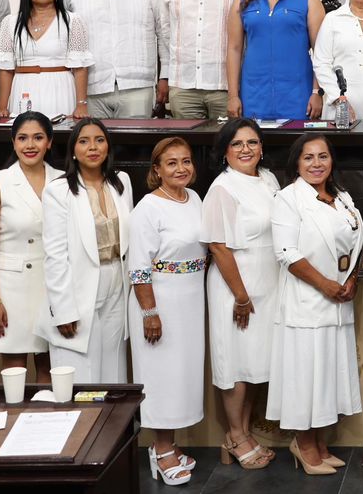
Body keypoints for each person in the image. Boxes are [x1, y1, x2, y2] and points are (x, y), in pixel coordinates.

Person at [269, 134, 363, 475]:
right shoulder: (288, 198)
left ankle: (321, 444)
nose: (316, 163)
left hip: (338, 301)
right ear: (297, 162)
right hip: (306, 301)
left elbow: (354, 244)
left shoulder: (342, 197)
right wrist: (325, 284)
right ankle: (303, 444)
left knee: (327, 376)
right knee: (305, 376)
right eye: (308, 157)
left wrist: (352, 279)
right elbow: (285, 252)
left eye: (323, 156)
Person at [203, 119, 283, 470]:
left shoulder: (268, 179)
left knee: (256, 363)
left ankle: (246, 430)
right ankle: (235, 436)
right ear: (224, 152)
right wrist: (240, 295)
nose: (246, 149)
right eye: (237, 144)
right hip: (237, 286)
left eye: (252, 142)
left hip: (268, 282)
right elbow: (218, 247)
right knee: (235, 363)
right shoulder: (223, 188)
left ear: (262, 147)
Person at [128, 137, 207, 484]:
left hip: (190, 298)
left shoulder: (195, 199)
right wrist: (150, 313)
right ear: (156, 170)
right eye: (171, 163)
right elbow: (138, 267)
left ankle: (170, 445)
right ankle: (160, 452)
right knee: (161, 376)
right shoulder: (147, 208)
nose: (181, 168)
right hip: (159, 300)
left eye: (186, 161)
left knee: (182, 375)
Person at [39, 118, 133, 383]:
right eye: (84, 141)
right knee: (80, 377)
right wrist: (63, 309)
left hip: (117, 282)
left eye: (99, 140)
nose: (93, 147)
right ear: (73, 150)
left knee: (113, 373)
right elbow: (55, 255)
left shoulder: (121, 182)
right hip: (79, 286)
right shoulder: (58, 190)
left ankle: (113, 425)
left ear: (108, 147)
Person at [0, 112, 57, 381]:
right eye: (22, 138)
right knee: (15, 373)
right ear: (13, 143)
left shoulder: (63, 180)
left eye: (38, 137)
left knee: (52, 368)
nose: (30, 145)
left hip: (53, 284)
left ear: (49, 142)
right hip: (11, 288)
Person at [65, 0, 169, 119]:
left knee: (135, 147)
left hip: (137, 86)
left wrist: (165, 77)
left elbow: (163, 33)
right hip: (90, 88)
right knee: (93, 146)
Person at [229, 0, 326, 121]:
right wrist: (233, 96)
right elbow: (234, 49)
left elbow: (322, 51)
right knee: (254, 146)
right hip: (254, 95)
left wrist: (317, 92)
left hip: (298, 95)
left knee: (296, 147)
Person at [162, 0, 249, 120]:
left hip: (225, 86)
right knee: (186, 147)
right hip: (183, 86)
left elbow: (247, 30)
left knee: (226, 145)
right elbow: (165, 29)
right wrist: (165, 76)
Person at [0, 0, 93, 120]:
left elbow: (80, 67)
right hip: (23, 89)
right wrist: (2, 107)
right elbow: (5, 69)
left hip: (60, 89)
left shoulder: (72, 21)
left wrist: (81, 104)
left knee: (59, 138)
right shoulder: (10, 23)